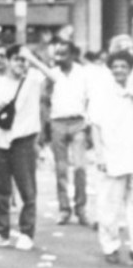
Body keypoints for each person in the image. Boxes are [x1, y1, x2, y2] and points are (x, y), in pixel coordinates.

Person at [0, 45, 46, 251]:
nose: (21, 64)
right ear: (8, 61)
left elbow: (54, 77)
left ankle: (26, 232)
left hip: (24, 141)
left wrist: (32, 58)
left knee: (27, 189)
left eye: (23, 61)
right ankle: (1, 232)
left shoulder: (32, 80)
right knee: (0, 190)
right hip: (1, 141)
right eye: (17, 59)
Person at [88, 51, 133, 264]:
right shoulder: (102, 92)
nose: (119, 70)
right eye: (115, 66)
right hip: (111, 153)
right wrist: (99, 154)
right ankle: (110, 246)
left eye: (123, 66)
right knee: (109, 204)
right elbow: (95, 125)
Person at [46, 40, 92, 226]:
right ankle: (64, 209)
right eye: (57, 54)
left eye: (63, 54)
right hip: (57, 123)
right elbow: (44, 100)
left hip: (78, 122)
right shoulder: (51, 74)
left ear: (72, 54)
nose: (59, 58)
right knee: (61, 169)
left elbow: (90, 98)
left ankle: (81, 208)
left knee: (80, 167)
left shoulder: (83, 73)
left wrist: (88, 123)